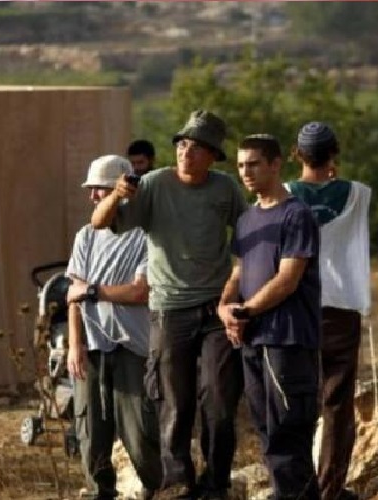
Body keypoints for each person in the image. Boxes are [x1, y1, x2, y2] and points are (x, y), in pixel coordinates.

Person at [91, 110, 247, 499]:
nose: (185, 153)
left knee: (219, 399)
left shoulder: (225, 189)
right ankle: (178, 481)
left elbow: (248, 239)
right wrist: (116, 195)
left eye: (196, 148)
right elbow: (99, 222)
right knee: (174, 401)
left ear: (212, 155)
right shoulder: (155, 184)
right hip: (169, 308)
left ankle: (216, 482)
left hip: (216, 307)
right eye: (182, 145)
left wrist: (237, 288)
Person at [219, 135, 321, 499]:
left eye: (254, 164)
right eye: (240, 165)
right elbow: (239, 271)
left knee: (288, 432)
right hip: (252, 338)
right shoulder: (247, 219)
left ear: (276, 165)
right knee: (265, 428)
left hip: (287, 338)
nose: (245, 172)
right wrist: (224, 307)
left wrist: (244, 311)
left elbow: (288, 278)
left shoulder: (297, 214)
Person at [65, 155, 162, 499]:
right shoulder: (86, 236)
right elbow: (73, 295)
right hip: (92, 347)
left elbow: (140, 291)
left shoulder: (146, 235)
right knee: (91, 432)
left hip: (132, 346)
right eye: (91, 189)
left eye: (101, 189)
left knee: (139, 434)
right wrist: (74, 344)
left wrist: (94, 291)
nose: (93, 196)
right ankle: (99, 493)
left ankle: (156, 488)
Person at [285, 122, 371, 500]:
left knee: (297, 398)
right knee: (336, 402)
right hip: (343, 306)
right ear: (334, 153)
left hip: (295, 304)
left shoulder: (285, 194)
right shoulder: (359, 194)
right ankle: (330, 488)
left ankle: (297, 485)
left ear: (296, 154)